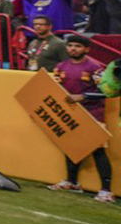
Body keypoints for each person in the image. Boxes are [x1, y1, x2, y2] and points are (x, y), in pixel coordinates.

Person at [47, 34, 113, 202]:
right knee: (70, 146)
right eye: (70, 46)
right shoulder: (60, 66)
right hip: (71, 114)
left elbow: (105, 92)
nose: (73, 49)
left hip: (93, 114)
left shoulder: (95, 68)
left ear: (86, 49)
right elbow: (55, 88)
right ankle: (72, 182)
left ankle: (106, 190)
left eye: (77, 46)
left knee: (98, 151)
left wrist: (82, 97)